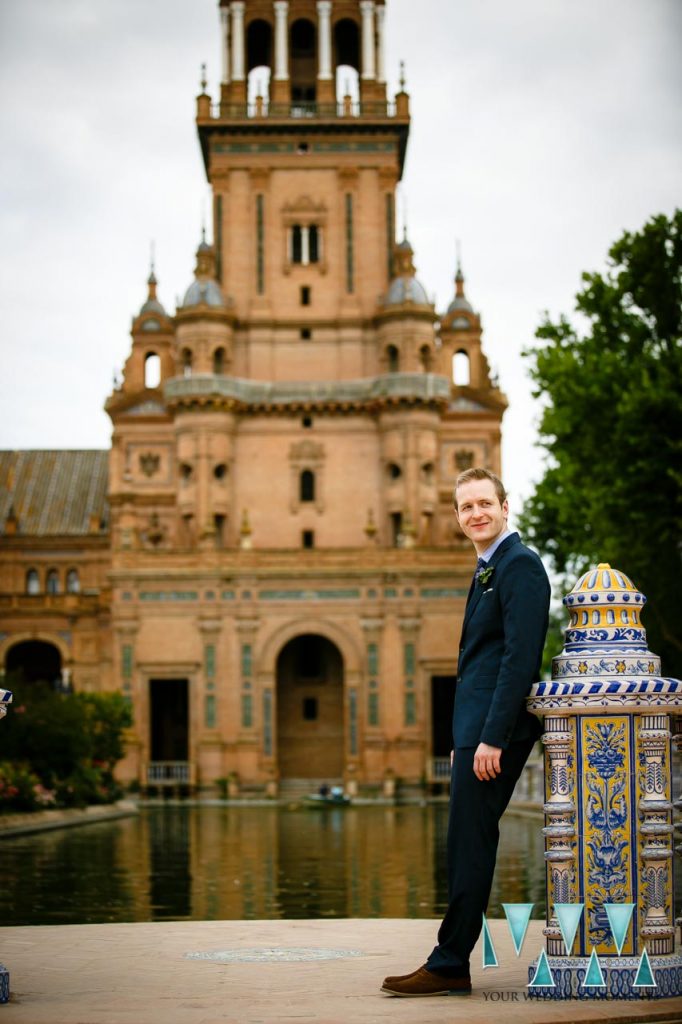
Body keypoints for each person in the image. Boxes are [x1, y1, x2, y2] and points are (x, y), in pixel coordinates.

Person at [381, 467, 550, 997]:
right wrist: (465, 741)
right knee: (464, 843)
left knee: (470, 845)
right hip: (476, 735)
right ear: (457, 516)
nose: (476, 514)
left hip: (495, 735)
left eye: (484, 504)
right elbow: (479, 661)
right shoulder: (489, 566)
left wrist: (492, 738)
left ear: (505, 506)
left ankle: (450, 962)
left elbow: (519, 659)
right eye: (466, 507)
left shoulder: (519, 565)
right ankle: (450, 959)